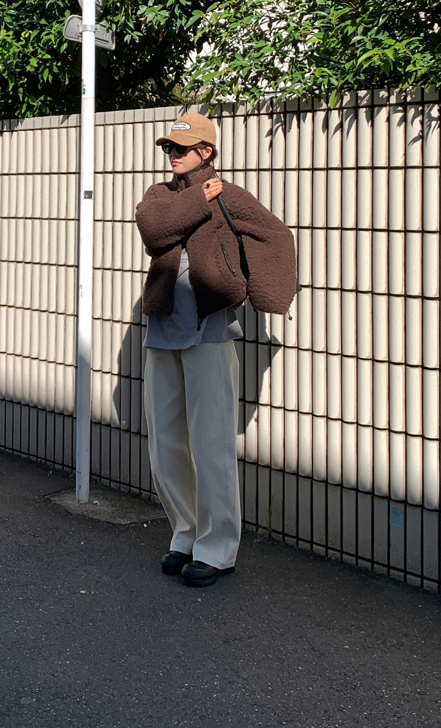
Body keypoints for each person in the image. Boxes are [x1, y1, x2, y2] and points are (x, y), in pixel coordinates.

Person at [135, 112, 296, 587]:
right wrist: (198, 201)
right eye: (169, 148)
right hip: (163, 329)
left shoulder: (230, 196)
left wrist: (262, 293)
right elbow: (153, 231)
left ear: (206, 152)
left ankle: (217, 548)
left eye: (181, 149)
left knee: (211, 445)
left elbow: (275, 234)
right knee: (166, 444)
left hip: (209, 330)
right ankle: (185, 534)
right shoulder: (160, 195)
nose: (173, 155)